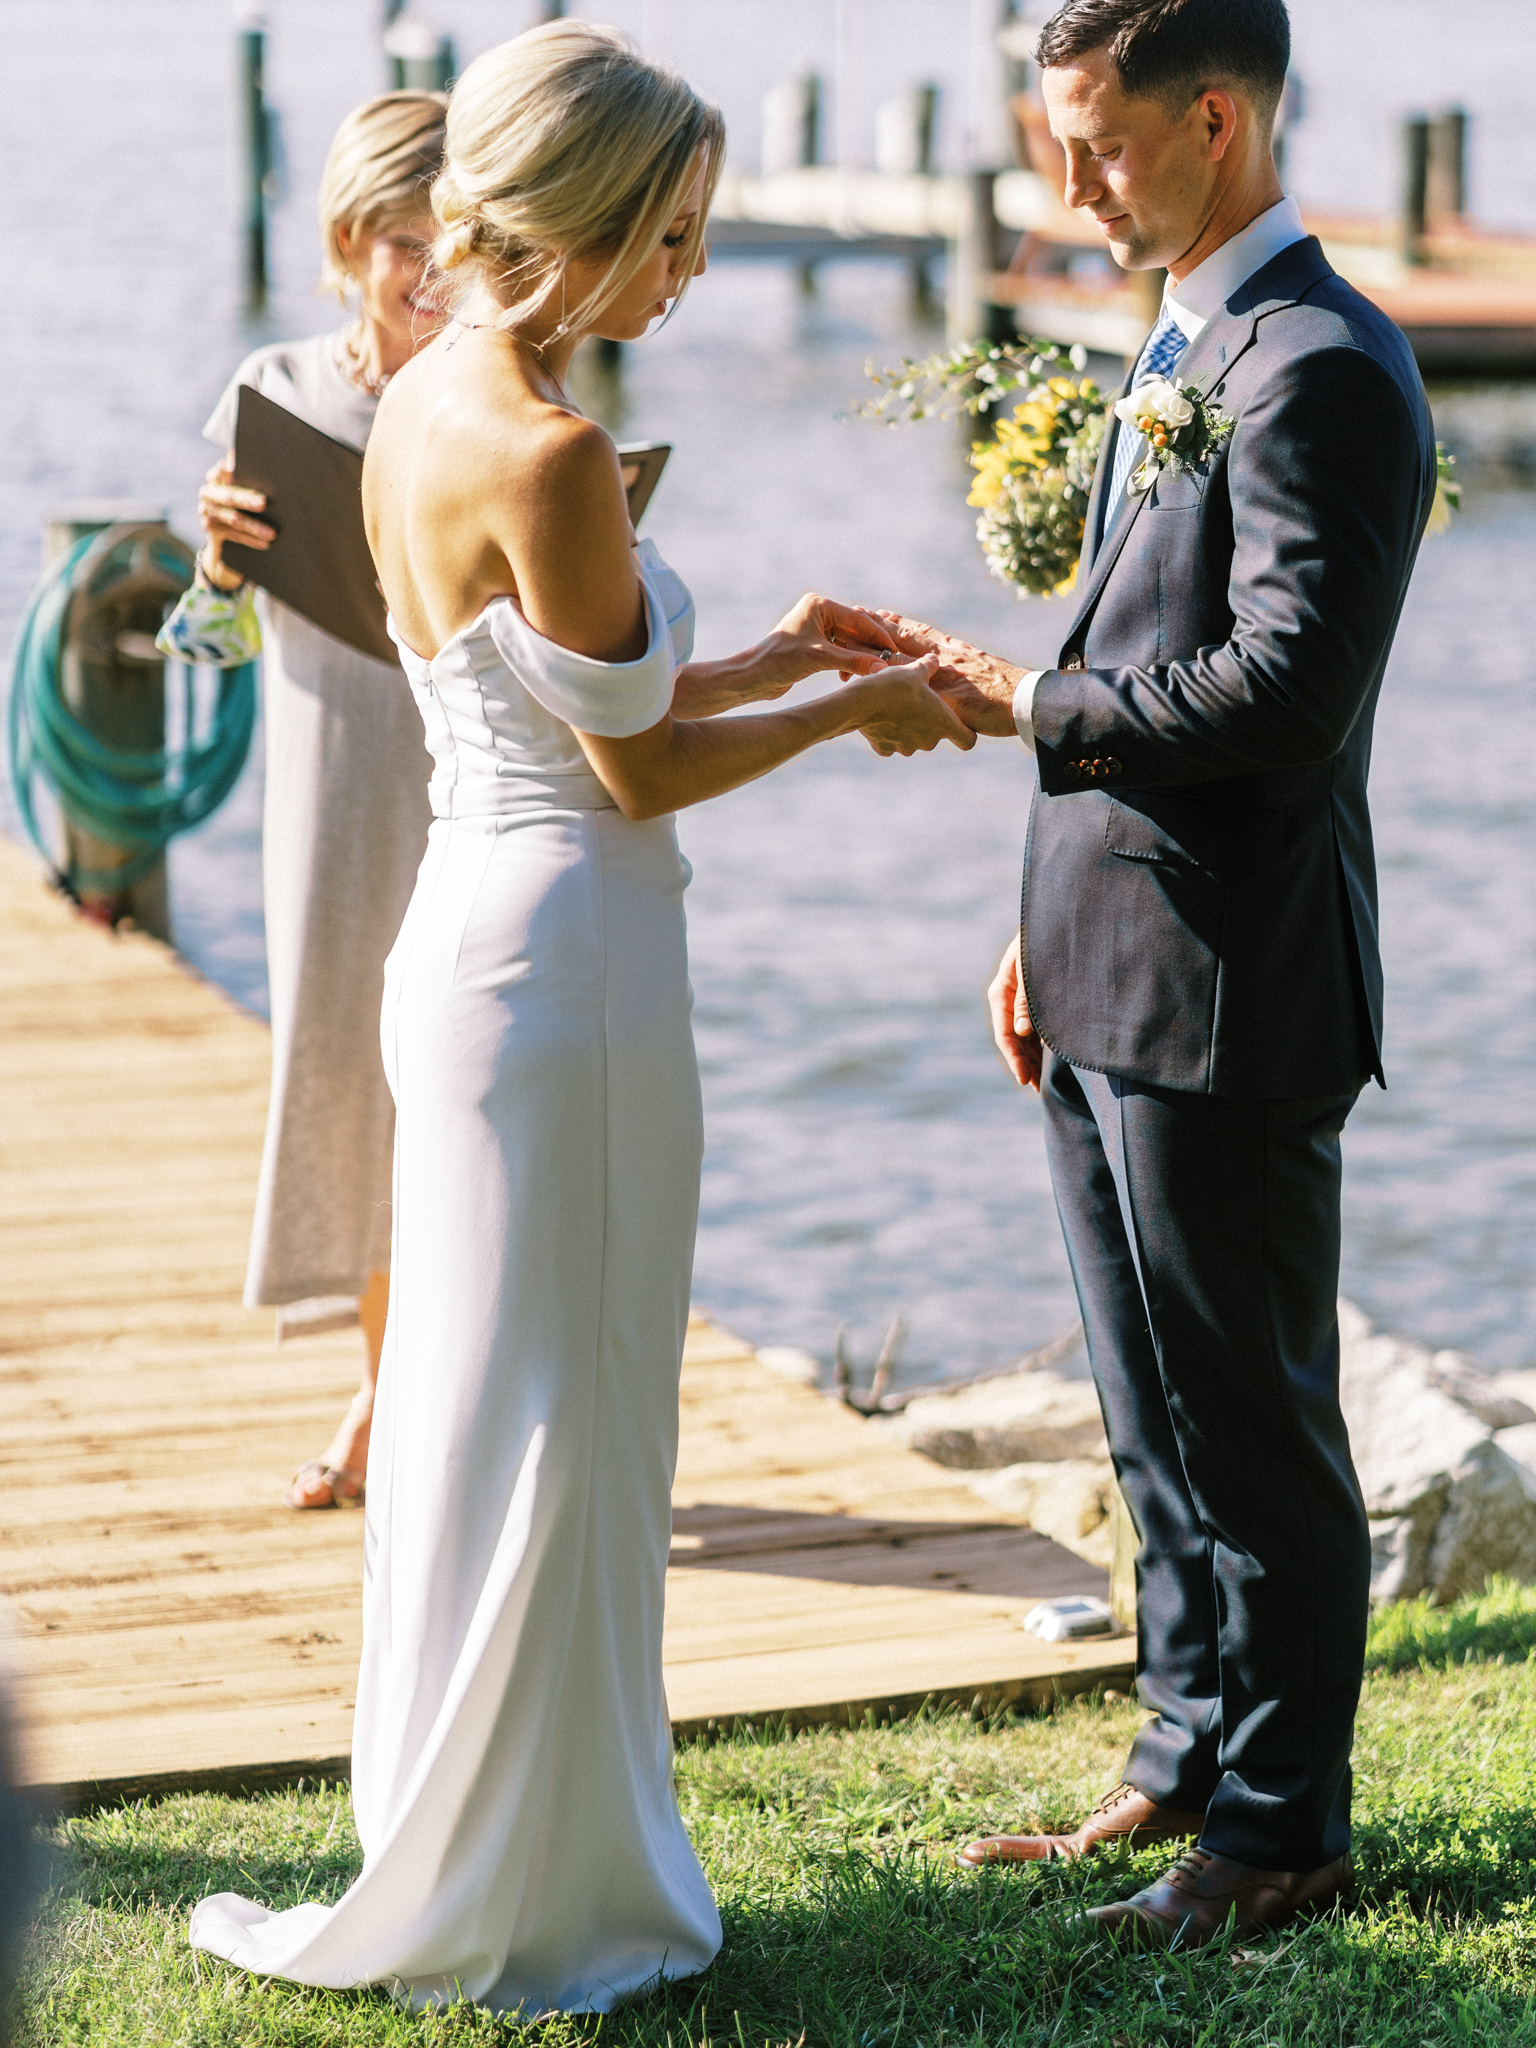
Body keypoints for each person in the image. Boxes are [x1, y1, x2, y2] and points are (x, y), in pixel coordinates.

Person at [188, 21, 971, 2015]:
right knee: (579, 1397)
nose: (690, 273)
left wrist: (781, 643)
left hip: (466, 944)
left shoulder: (433, 404)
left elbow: (570, 698)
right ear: (586, 218)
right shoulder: (546, 447)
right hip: (579, 967)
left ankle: (477, 1832)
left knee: (483, 1390)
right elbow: (632, 779)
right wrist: (862, 709)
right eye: (674, 235)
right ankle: (550, 1880)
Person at [886, 0, 1435, 1946]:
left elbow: (1288, 691)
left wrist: (1026, 696)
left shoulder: (1324, 370)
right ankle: (1189, 1741)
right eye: (1051, 138)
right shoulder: (1189, 336)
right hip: (1108, 958)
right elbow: (1159, 639)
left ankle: (1283, 1824)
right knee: (1147, 1400)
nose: (1067, 179)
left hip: (1234, 980)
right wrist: (1036, 922)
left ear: (1216, 116)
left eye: (1095, 144)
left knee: (1251, 1410)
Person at [198, 92, 447, 1509]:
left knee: (454, 1077)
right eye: (405, 243)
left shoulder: (490, 388)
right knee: (354, 1079)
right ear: (350, 242)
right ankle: (381, 1387)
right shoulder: (280, 387)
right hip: (330, 771)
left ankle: (398, 1401)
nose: (433, 276)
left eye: (456, 243)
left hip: (468, 761)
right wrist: (217, 561)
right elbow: (206, 636)